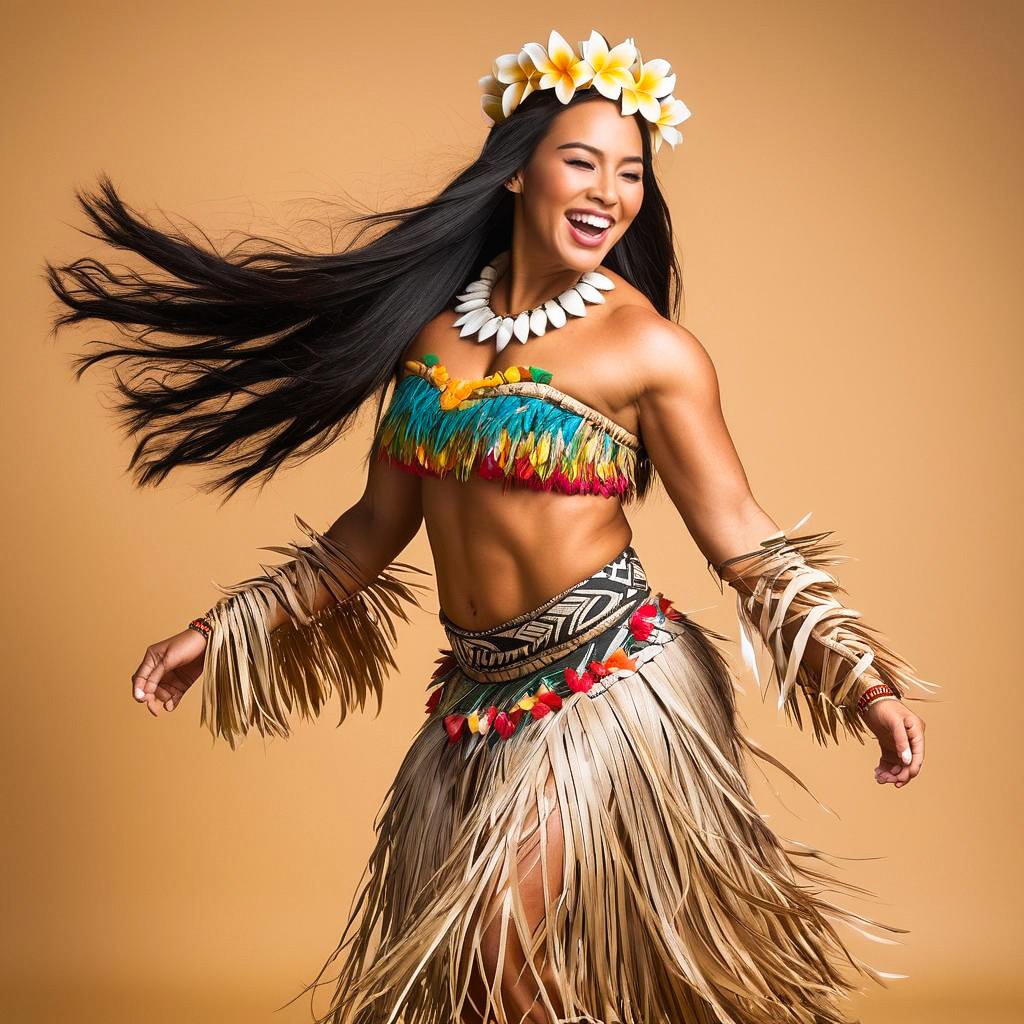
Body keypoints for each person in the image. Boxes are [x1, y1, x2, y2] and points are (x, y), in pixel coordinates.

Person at [45, 28, 940, 1024]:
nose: (608, 191)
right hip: (474, 702)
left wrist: (862, 680)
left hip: (609, 687)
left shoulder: (650, 349)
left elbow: (738, 534)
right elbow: (367, 532)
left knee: (495, 940)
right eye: (581, 161)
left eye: (630, 172)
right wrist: (218, 632)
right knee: (476, 991)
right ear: (517, 173)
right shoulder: (432, 338)